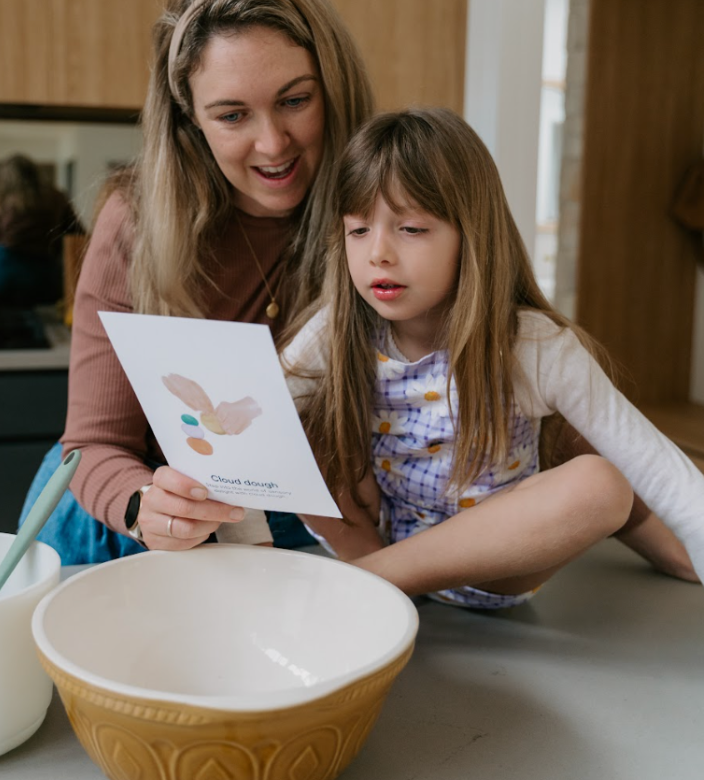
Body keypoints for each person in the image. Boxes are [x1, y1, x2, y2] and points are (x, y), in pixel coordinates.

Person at [17, 0, 376, 562]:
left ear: (334, 88)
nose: (273, 143)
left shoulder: (382, 213)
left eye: (295, 101)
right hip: (125, 530)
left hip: (301, 534)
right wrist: (141, 503)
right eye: (233, 115)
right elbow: (93, 446)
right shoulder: (137, 221)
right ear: (191, 121)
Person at [281, 107, 702, 605]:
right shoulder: (338, 326)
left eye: (411, 228)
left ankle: (371, 586)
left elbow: (653, 464)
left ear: (471, 235)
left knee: (601, 484)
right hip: (377, 543)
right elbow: (251, 426)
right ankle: (377, 579)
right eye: (358, 230)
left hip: (493, 567)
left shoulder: (533, 345)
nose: (378, 254)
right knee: (280, 418)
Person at [0, 154, 84, 307]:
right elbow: (78, 233)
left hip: (2, 274)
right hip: (43, 276)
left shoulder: (1, 201)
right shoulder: (56, 196)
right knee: (41, 325)